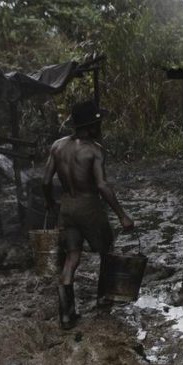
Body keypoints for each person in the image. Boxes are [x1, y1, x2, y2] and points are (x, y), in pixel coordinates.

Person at [42, 100, 134, 330]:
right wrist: (122, 215)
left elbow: (45, 181)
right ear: (92, 126)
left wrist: (51, 203)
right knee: (107, 252)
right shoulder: (94, 150)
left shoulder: (57, 146)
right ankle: (104, 301)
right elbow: (102, 186)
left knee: (72, 257)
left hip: (67, 208)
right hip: (89, 207)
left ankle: (66, 315)